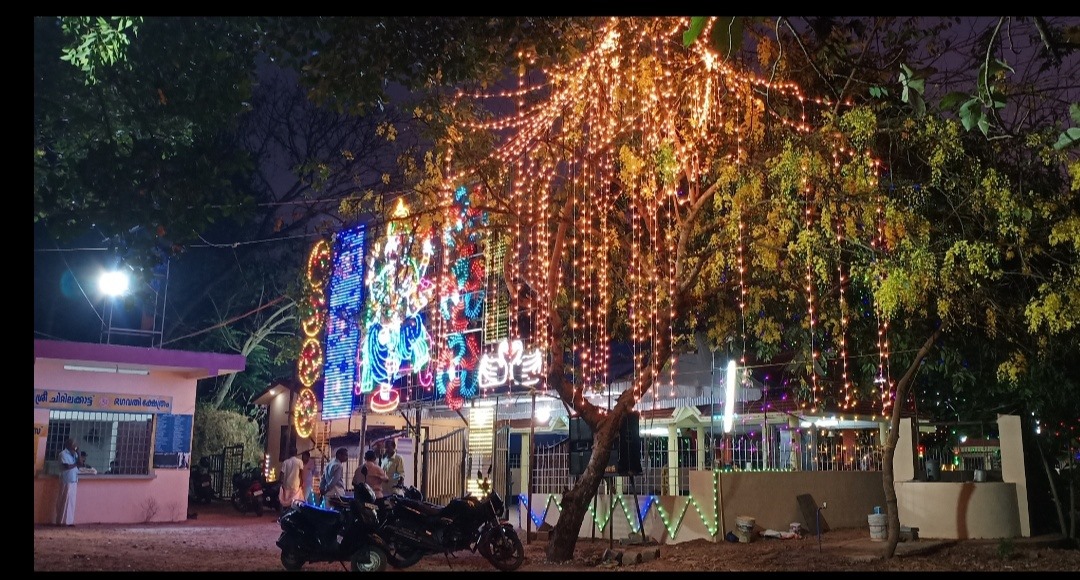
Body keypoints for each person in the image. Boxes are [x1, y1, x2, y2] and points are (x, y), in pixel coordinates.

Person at [55, 438, 80, 526]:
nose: (76, 446)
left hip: (73, 479)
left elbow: (79, 463)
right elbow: (66, 466)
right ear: (70, 445)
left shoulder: (74, 454)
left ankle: (69, 521)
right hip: (66, 480)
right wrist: (76, 464)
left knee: (71, 502)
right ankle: (61, 521)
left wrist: (79, 454)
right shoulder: (63, 454)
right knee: (64, 500)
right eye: (74, 445)